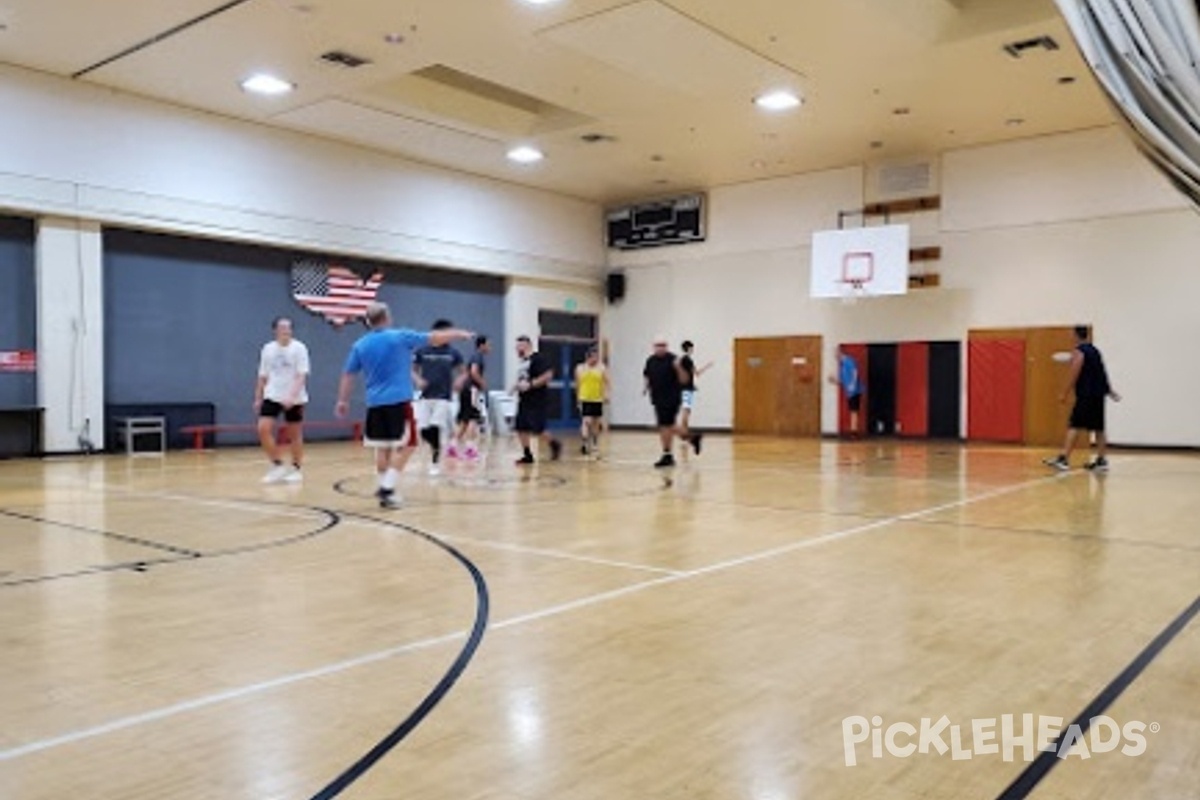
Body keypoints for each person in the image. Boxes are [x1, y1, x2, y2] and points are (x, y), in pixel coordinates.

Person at [335, 302, 472, 508]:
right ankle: (387, 487)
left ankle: (385, 492)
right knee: (409, 444)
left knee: (382, 449)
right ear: (387, 317)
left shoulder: (360, 345)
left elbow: (348, 374)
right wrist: (458, 334)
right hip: (398, 402)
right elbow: (434, 338)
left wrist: (342, 400)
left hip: (374, 404)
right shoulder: (400, 337)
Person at [1044, 326, 1121, 472]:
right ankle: (1101, 460)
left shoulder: (1080, 351)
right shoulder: (1095, 351)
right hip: (1098, 395)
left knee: (1074, 424)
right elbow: (1101, 372)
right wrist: (1109, 390)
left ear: (1076, 335)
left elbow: (1075, 373)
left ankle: (1063, 459)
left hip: (1086, 395)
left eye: (1072, 334)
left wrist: (1065, 392)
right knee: (1099, 427)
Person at [254, 317, 310, 484]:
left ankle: (296, 468)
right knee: (263, 428)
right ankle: (277, 465)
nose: (286, 331)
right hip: (272, 395)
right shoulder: (268, 349)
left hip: (295, 398)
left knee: (294, 433)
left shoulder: (299, 348)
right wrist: (258, 396)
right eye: (283, 328)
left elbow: (302, 375)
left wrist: (292, 396)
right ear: (275, 330)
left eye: (289, 328)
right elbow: (262, 375)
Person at [412, 319, 464, 476]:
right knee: (423, 430)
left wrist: (459, 380)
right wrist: (418, 380)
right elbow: (412, 369)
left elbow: (464, 371)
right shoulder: (422, 350)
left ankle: (435, 461)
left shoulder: (453, 353)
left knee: (435, 427)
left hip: (443, 396)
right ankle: (439, 447)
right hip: (425, 396)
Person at [643, 335, 696, 468]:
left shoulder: (674, 359)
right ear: (653, 347)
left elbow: (684, 379)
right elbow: (647, 375)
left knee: (666, 425)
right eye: (658, 345)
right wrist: (646, 387)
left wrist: (678, 368)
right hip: (657, 398)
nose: (660, 348)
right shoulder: (650, 361)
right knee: (665, 426)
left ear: (666, 347)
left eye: (663, 345)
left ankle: (667, 454)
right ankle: (691, 439)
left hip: (672, 397)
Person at [513, 335, 562, 465]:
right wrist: (515, 387)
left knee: (538, 428)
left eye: (519, 346)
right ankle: (527, 454)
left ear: (526, 345)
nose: (516, 349)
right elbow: (523, 379)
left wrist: (532, 384)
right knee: (520, 427)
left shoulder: (538, 358)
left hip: (537, 400)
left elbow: (548, 375)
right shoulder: (523, 362)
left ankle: (554, 444)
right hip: (524, 399)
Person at [452, 335, 491, 461]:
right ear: (482, 345)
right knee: (473, 419)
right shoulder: (478, 356)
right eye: (488, 344)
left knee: (465, 420)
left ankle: (452, 447)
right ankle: (469, 450)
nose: (490, 347)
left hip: (466, 390)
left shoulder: (475, 356)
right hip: (471, 390)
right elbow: (474, 372)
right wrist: (482, 382)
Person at [677, 340, 711, 454]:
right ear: (689, 348)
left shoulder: (681, 360)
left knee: (686, 411)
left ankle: (684, 434)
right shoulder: (688, 360)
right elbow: (697, 373)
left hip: (683, 389)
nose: (693, 350)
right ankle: (684, 435)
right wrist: (708, 366)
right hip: (687, 390)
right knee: (686, 412)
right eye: (692, 348)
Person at [574, 346, 609, 456]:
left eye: (597, 357)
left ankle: (594, 443)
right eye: (593, 357)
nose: (595, 359)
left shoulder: (601, 368)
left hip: (597, 399)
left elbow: (606, 382)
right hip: (585, 398)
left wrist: (606, 395)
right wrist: (578, 399)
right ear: (588, 357)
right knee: (586, 421)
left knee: (595, 423)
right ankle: (584, 443)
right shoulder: (580, 368)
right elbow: (577, 384)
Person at [829, 346, 863, 438]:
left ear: (840, 352)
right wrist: (834, 380)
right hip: (849, 391)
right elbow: (841, 380)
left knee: (854, 411)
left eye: (836, 353)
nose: (835, 356)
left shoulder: (849, 361)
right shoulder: (842, 366)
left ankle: (854, 432)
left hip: (855, 390)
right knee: (852, 411)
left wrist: (852, 384)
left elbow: (855, 372)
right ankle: (853, 431)